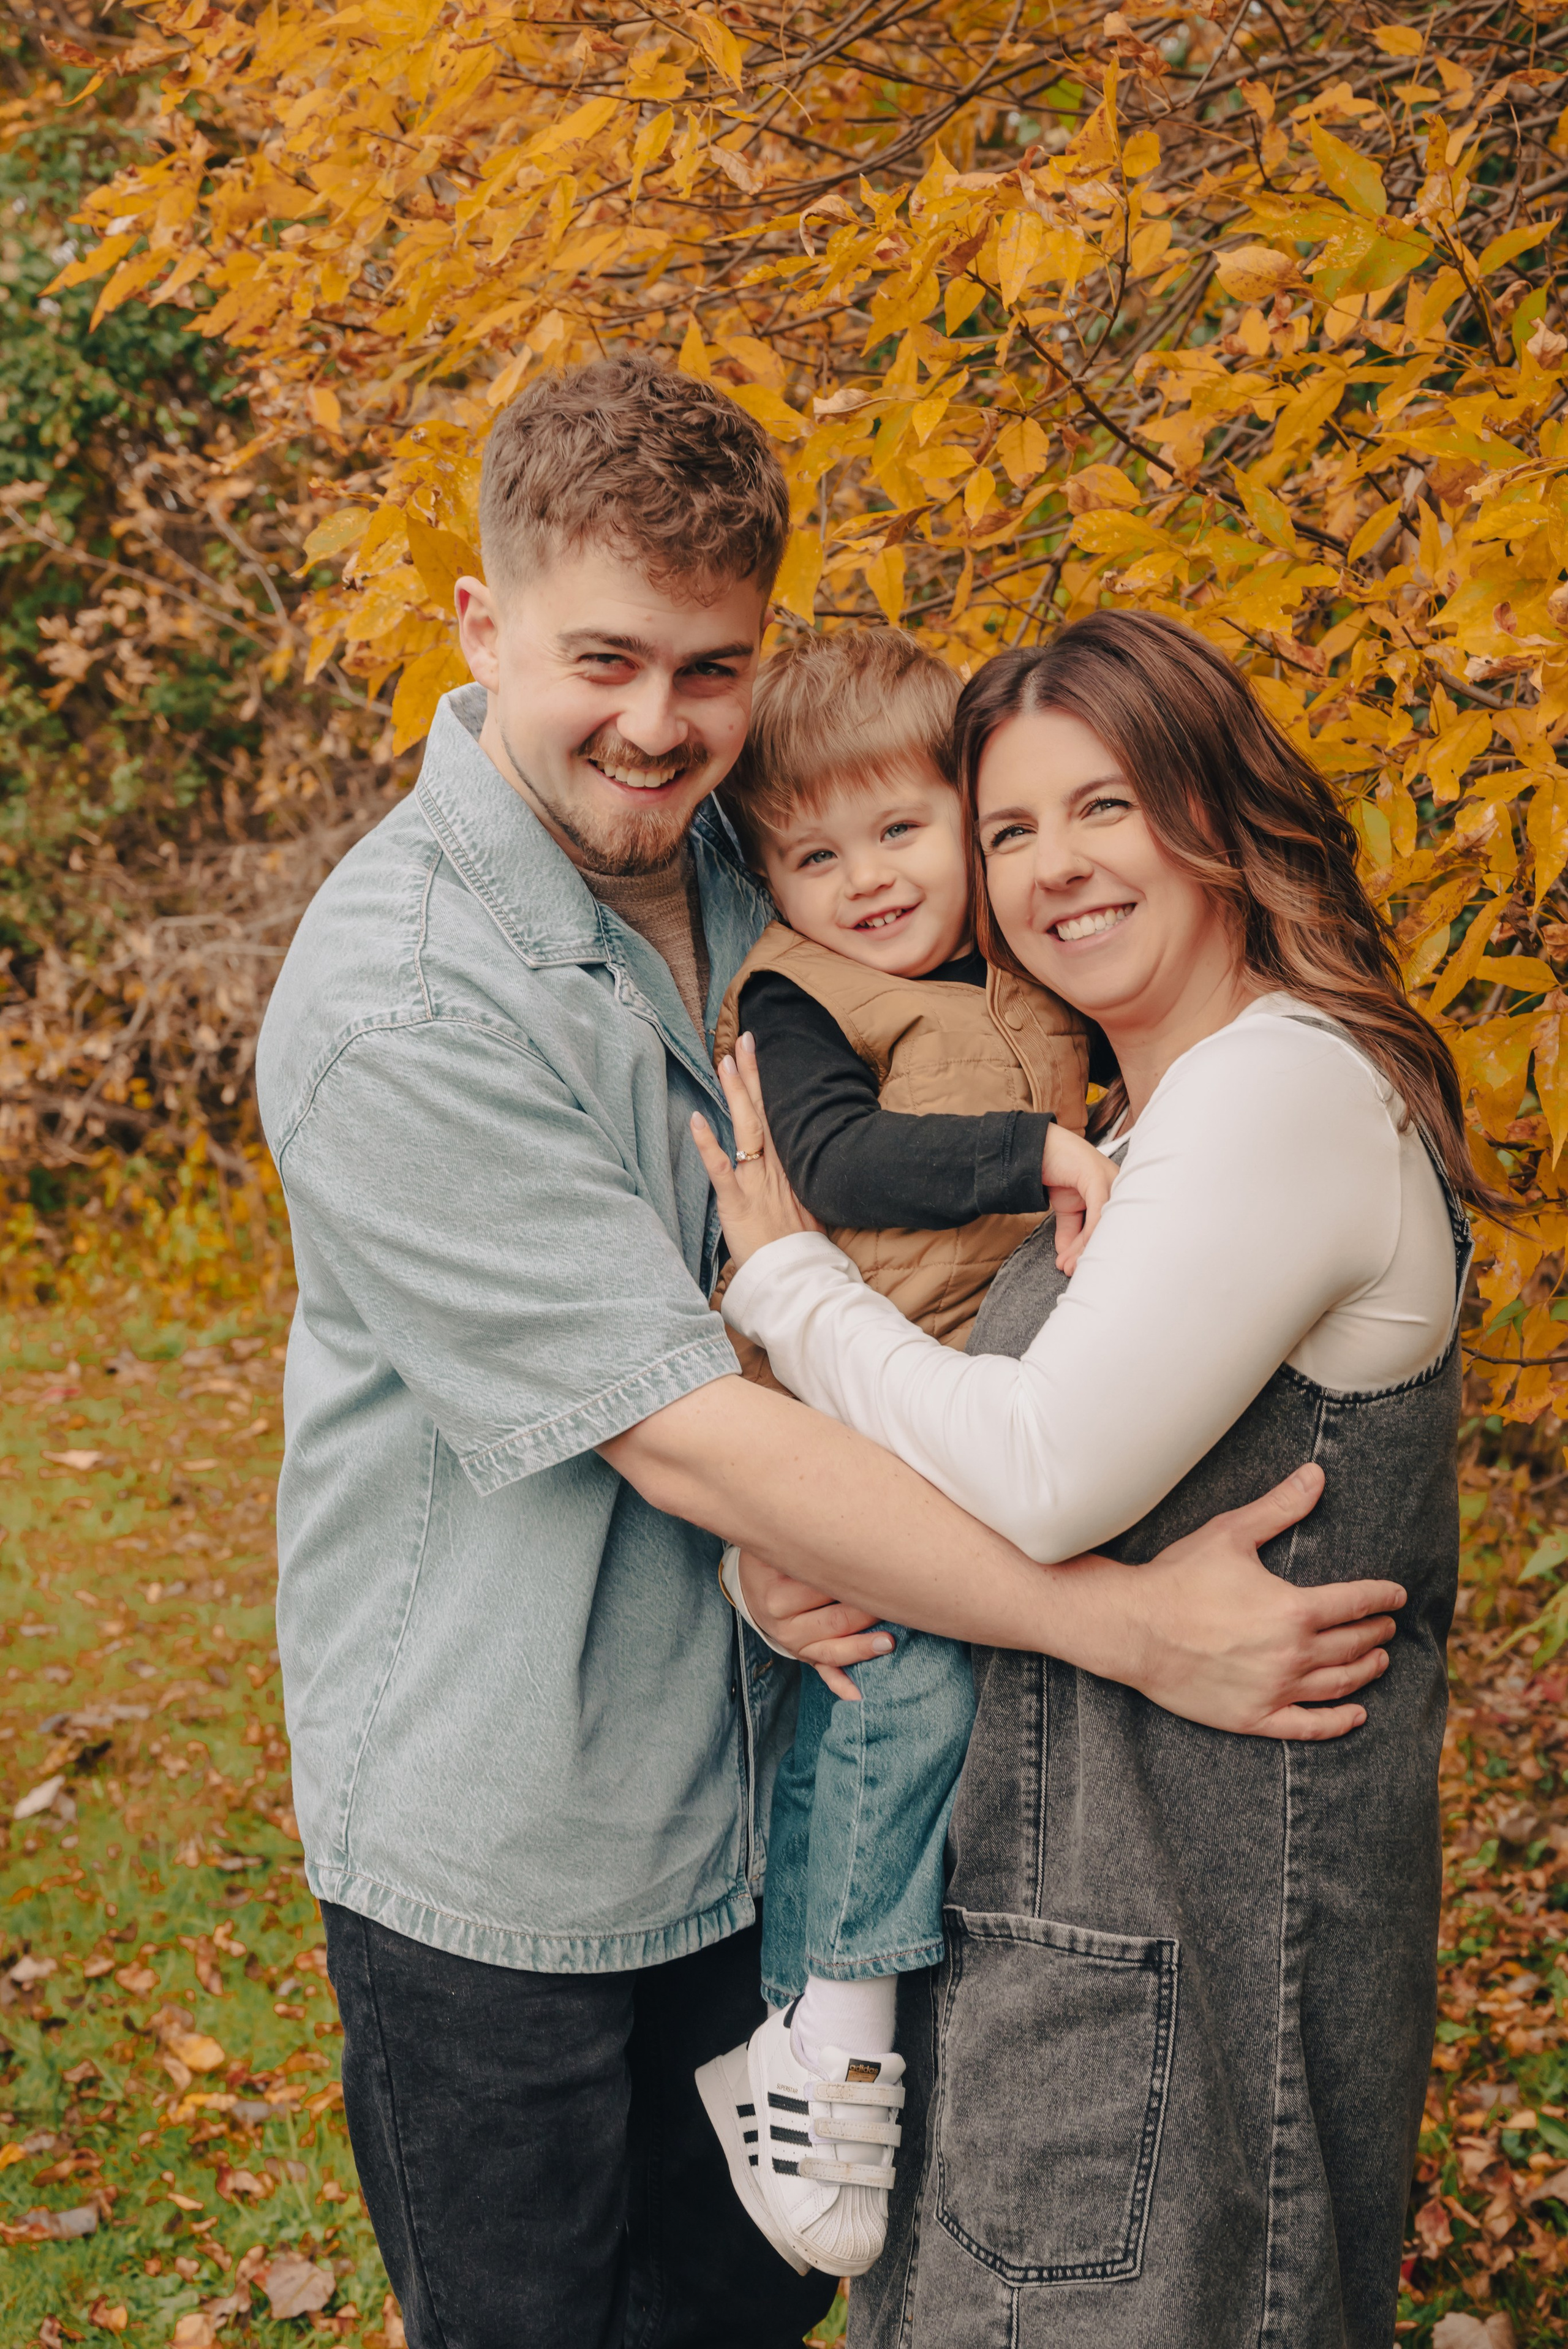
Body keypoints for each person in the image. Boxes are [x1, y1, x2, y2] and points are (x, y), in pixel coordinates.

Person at [257, 356, 1409, 2349]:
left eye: (709, 670)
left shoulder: (745, 868)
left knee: (748, 2310)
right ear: (482, 626)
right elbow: (691, 1434)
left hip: (761, 1781)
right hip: (506, 1844)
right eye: (602, 658)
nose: (655, 721)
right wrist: (1124, 1623)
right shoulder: (401, 1000)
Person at [696, 609, 1486, 2345]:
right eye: (1008, 828)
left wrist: (784, 1280)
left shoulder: (1277, 1095)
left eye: (1103, 805)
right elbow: (977, 1466)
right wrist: (807, 1560)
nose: (1053, 866)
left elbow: (1041, 1473)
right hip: (1053, 1976)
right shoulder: (1148, 1118)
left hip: (1191, 2001)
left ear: (1213, 811)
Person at [692, 625, 1118, 2280]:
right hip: (850, 1405)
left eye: (901, 830)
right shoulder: (800, 997)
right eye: (814, 851)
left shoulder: (1031, 967)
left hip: (975, 1397)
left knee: (932, 1717)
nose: (865, 879)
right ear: (770, 877)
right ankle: (827, 2030)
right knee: (896, 1676)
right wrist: (1044, 1150)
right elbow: (842, 1161)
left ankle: (817, 2015)